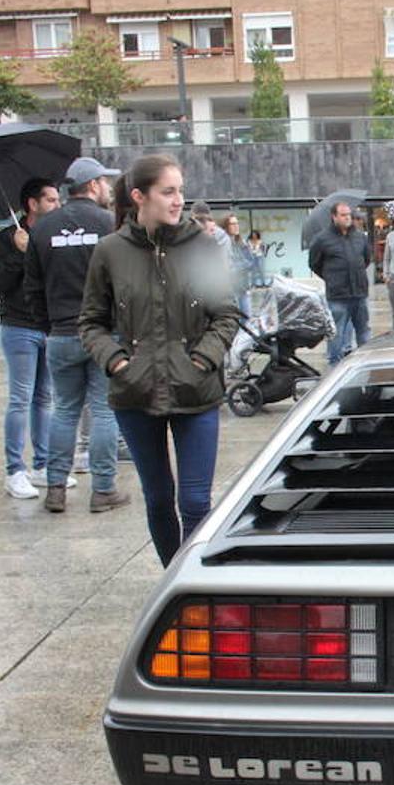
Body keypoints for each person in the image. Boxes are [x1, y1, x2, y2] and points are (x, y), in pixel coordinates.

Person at [80, 154, 239, 567]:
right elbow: (91, 322)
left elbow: (226, 313)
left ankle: (194, 583)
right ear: (139, 196)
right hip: (135, 394)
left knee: (195, 500)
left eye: (181, 191)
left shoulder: (202, 245)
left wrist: (201, 360)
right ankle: (173, 580)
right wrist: (118, 363)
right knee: (157, 498)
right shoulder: (110, 252)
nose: (178, 200)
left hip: (196, 391)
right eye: (168, 191)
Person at [23, 156, 131, 515]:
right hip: (104, 334)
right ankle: (103, 490)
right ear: (94, 185)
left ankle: (55, 489)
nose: (107, 189)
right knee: (103, 411)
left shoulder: (41, 229)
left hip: (60, 334)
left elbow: (32, 288)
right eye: (104, 182)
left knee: (64, 411)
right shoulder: (109, 224)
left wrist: (48, 325)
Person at [0, 177, 63, 499]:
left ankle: (43, 465)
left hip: (47, 325)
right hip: (18, 327)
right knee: (20, 398)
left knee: (44, 398)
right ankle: (14, 470)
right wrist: (20, 253)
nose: (57, 206)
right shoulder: (6, 239)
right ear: (32, 205)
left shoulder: (51, 236)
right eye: (51, 200)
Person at [309, 200, 370, 364]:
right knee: (336, 335)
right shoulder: (322, 239)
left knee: (364, 332)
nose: (347, 218)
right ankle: (334, 368)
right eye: (343, 215)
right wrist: (331, 278)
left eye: (349, 215)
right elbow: (314, 264)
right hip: (337, 296)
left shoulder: (359, 237)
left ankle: (366, 364)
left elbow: (366, 260)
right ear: (334, 217)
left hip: (359, 293)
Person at [218, 213, 253, 317]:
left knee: (246, 317)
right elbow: (228, 267)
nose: (236, 226)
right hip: (231, 290)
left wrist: (239, 265)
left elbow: (251, 262)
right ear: (226, 227)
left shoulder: (241, 243)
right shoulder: (224, 243)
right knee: (235, 320)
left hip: (243, 288)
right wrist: (243, 265)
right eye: (232, 224)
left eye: (237, 223)